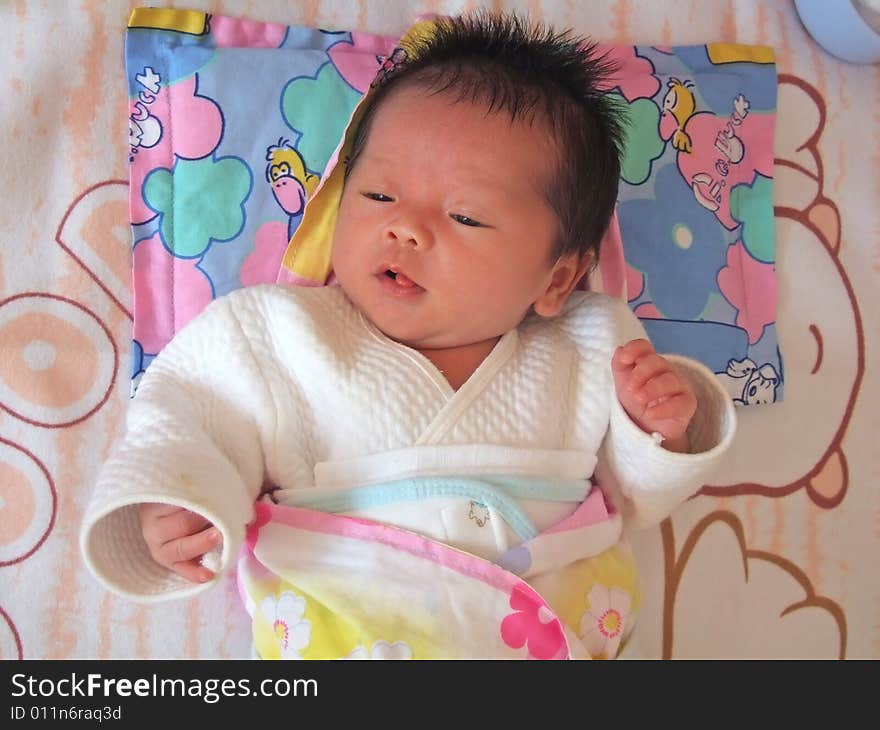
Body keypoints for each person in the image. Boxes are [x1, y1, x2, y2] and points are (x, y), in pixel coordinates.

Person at [81, 12, 735, 659]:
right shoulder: (277, 333)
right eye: (378, 197)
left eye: (465, 216)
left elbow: (637, 494)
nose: (407, 229)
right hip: (348, 630)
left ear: (559, 278)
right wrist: (176, 497)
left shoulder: (590, 342)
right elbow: (191, 410)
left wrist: (664, 431)